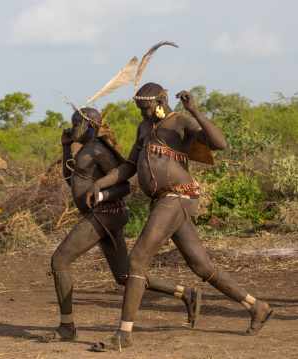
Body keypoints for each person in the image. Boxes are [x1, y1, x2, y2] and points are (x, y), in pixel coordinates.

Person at [85, 83, 274, 351]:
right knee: (201, 266)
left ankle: (124, 334)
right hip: (164, 201)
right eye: (139, 108)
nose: (143, 113)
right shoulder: (144, 128)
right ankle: (257, 307)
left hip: (179, 197)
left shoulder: (182, 122)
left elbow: (220, 144)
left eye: (146, 107)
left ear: (161, 100)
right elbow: (129, 166)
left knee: (136, 261)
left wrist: (194, 110)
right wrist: (100, 184)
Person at [39, 107, 202, 342]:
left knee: (59, 260)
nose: (72, 129)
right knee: (125, 276)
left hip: (105, 213)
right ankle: (185, 293)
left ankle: (67, 327)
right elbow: (69, 177)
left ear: (91, 125)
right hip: (104, 214)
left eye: (76, 125)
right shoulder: (85, 149)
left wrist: (101, 196)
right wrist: (66, 147)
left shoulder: (100, 149)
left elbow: (126, 186)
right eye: (72, 125)